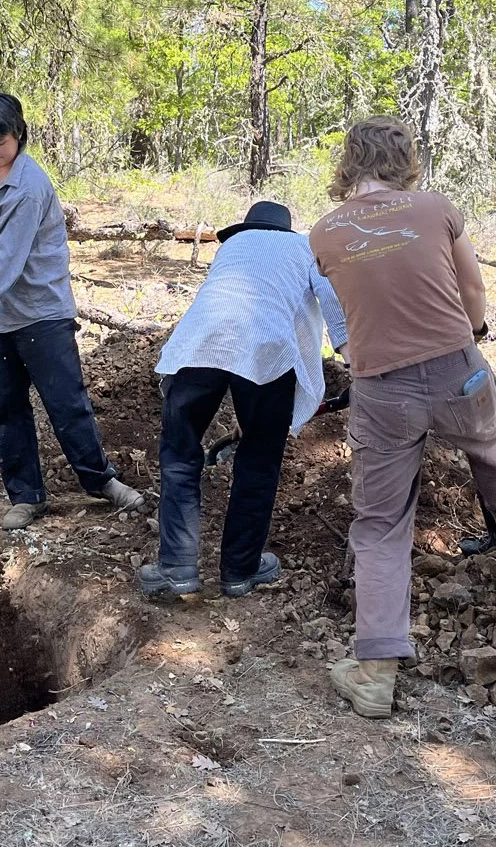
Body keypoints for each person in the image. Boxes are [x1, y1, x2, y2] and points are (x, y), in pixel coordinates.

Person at [309, 117, 496, 718]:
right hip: (452, 367)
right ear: (405, 160)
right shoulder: (437, 207)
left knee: (382, 527)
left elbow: (349, 308)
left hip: (381, 389)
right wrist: (475, 334)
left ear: (348, 164)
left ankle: (375, 674)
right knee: (491, 438)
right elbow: (472, 290)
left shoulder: (326, 233)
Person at [0, 93, 143, 530]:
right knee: (4, 408)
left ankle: (102, 482)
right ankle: (27, 496)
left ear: (18, 133)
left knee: (65, 403)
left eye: (0, 142)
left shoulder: (32, 186)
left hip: (39, 313)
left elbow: (7, 258)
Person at [138, 201, 349, 599]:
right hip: (268, 349)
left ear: (246, 228)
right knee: (259, 459)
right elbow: (331, 293)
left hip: (200, 346)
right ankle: (240, 569)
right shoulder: (304, 247)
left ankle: (176, 568)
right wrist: (349, 351)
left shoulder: (230, 248)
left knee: (180, 454)